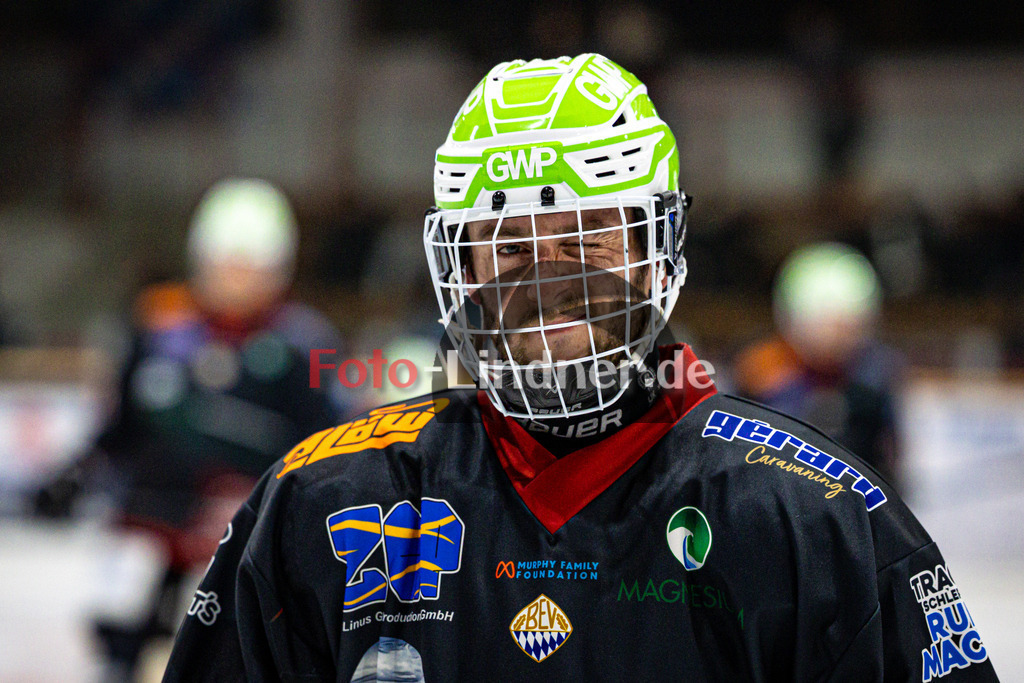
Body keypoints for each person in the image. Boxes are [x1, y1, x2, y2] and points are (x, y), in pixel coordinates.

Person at [165, 55, 998, 681]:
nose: (550, 279)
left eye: (587, 234)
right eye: (510, 243)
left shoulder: (818, 518)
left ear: (653, 250)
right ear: (459, 265)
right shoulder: (317, 504)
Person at [35, 177, 345, 680]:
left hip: (251, 523)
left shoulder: (305, 343)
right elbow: (119, 426)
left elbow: (332, 445)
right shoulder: (159, 324)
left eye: (251, 267)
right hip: (151, 518)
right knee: (120, 597)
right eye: (226, 264)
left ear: (278, 269)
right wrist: (76, 469)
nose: (236, 280)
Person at [734, 242, 904, 485]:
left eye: (848, 326)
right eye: (828, 324)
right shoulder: (760, 371)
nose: (836, 337)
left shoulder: (874, 379)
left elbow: (888, 473)